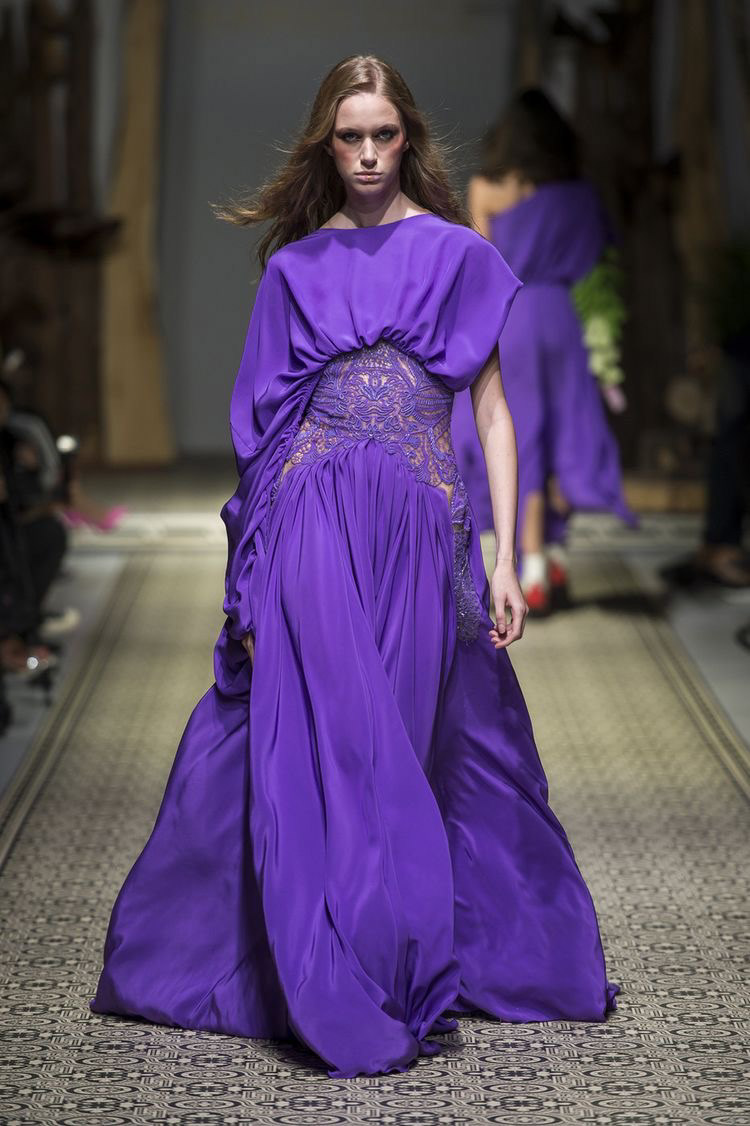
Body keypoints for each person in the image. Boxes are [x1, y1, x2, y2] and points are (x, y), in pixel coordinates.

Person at [91, 57, 617, 1079]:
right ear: (325, 145)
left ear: (408, 136)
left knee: (408, 744)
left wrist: (506, 557)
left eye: (383, 135)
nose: (368, 155)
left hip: (420, 527)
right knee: (336, 740)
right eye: (349, 137)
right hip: (312, 517)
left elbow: (495, 414)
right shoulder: (296, 269)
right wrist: (250, 576)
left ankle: (381, 948)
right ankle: (331, 975)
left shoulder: (460, 254)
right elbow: (264, 434)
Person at [452, 89, 636, 615]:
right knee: (564, 430)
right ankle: (552, 553)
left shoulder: (486, 188)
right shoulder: (579, 195)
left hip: (512, 320)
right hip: (562, 317)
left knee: (521, 434)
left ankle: (531, 565)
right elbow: (599, 258)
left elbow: (480, 266)